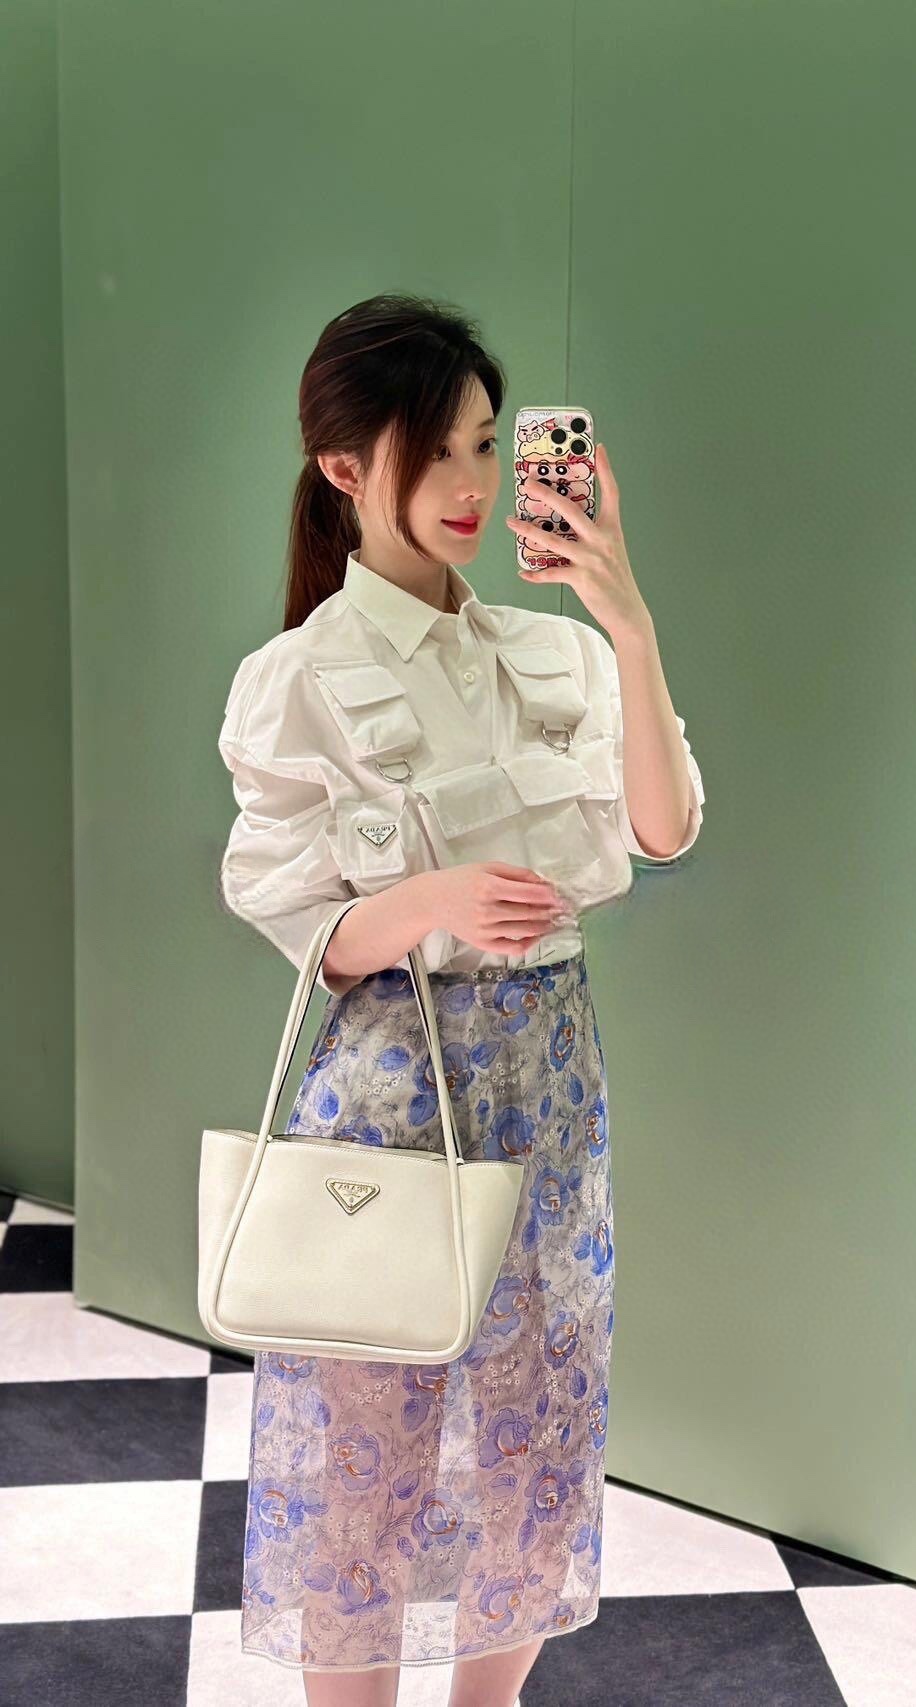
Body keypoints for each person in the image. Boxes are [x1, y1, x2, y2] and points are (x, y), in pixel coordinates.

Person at [215, 293, 706, 1707]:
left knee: (536, 1436)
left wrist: (626, 620)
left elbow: (666, 829)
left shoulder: (560, 653)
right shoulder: (297, 680)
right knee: (364, 1455)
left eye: (487, 444)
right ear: (343, 467)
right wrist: (431, 900)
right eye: (432, 450)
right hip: (389, 1091)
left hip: (553, 1088)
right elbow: (303, 925)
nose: (473, 483)